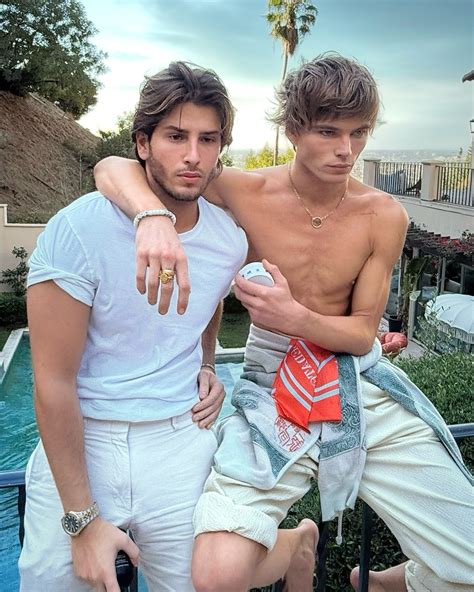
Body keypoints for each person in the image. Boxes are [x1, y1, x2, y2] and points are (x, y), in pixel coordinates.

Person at [94, 54, 473, 592]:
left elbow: (362, 332)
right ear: (294, 129)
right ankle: (298, 543)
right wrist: (150, 216)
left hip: (360, 380)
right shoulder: (243, 191)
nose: (346, 150)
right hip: (274, 380)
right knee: (217, 576)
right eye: (328, 131)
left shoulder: (384, 215)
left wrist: (297, 316)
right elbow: (112, 167)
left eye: (359, 133)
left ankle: (390, 581)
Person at [18, 62, 251, 592]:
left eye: (208, 139)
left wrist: (208, 363)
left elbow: (210, 301)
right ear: (143, 144)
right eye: (176, 136)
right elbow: (51, 380)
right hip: (85, 442)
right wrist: (81, 521)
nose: (193, 155)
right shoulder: (79, 228)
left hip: (180, 442)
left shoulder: (228, 241)